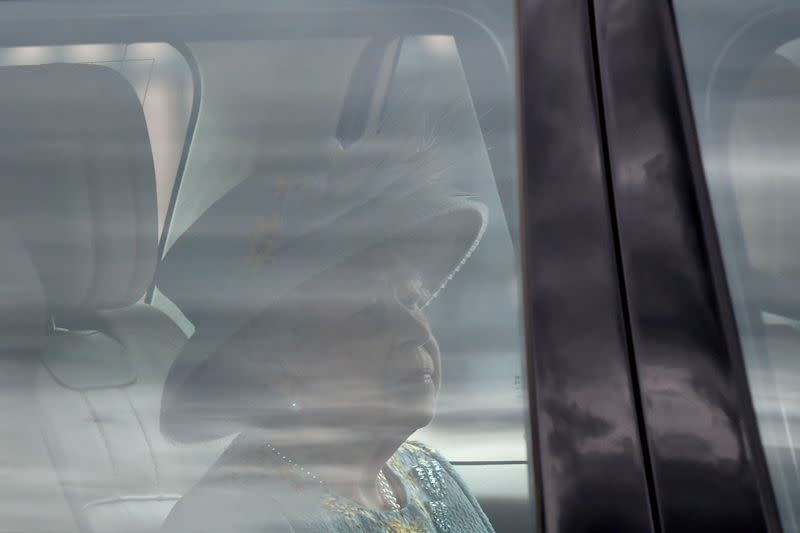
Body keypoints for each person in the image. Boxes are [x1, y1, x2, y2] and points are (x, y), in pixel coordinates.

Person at [157, 101, 494, 533]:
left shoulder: (428, 474)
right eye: (369, 313)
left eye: (411, 302)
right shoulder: (236, 518)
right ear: (276, 363)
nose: (415, 330)